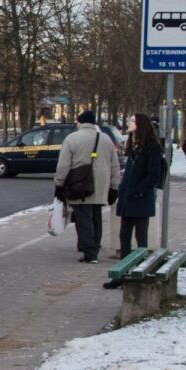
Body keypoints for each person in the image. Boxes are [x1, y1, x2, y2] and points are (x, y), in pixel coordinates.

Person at [54, 110, 122, 264]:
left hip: (79, 185)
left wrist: (59, 183)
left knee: (83, 218)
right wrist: (114, 186)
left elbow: (63, 164)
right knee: (96, 216)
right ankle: (95, 245)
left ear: (80, 122)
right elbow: (115, 165)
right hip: (101, 186)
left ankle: (90, 252)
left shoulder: (72, 139)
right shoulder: (105, 139)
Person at [105, 113, 163, 289]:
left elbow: (153, 175)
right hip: (127, 198)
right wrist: (122, 191)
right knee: (124, 237)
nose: (129, 123)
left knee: (141, 237)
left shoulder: (152, 148)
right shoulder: (132, 145)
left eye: (132, 121)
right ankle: (122, 275)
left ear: (140, 125)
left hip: (140, 199)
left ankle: (139, 274)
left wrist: (137, 191)